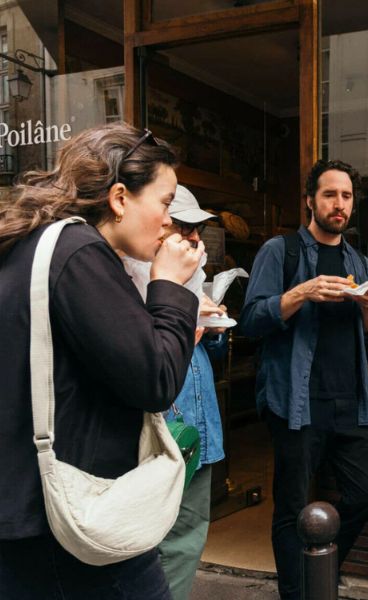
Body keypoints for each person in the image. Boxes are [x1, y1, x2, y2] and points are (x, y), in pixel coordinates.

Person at [0, 123, 202, 599]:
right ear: (118, 198)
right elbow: (155, 377)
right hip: (70, 522)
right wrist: (171, 286)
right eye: (165, 202)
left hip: (23, 514)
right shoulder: (79, 252)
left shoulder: (26, 247)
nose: (169, 221)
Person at [240, 159, 368, 600]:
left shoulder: (359, 259)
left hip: (351, 402)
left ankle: (319, 569)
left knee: (364, 497)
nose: (339, 205)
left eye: (346, 197)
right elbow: (251, 320)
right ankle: (297, 593)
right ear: (309, 201)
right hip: (296, 402)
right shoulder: (280, 252)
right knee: (291, 509)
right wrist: (303, 292)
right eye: (329, 195)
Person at [151, 186, 228, 600]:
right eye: (186, 227)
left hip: (200, 430)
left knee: (190, 537)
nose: (196, 239)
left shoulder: (190, 280)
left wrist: (210, 327)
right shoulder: (131, 276)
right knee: (160, 543)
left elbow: (201, 354)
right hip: (162, 432)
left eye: (198, 229)